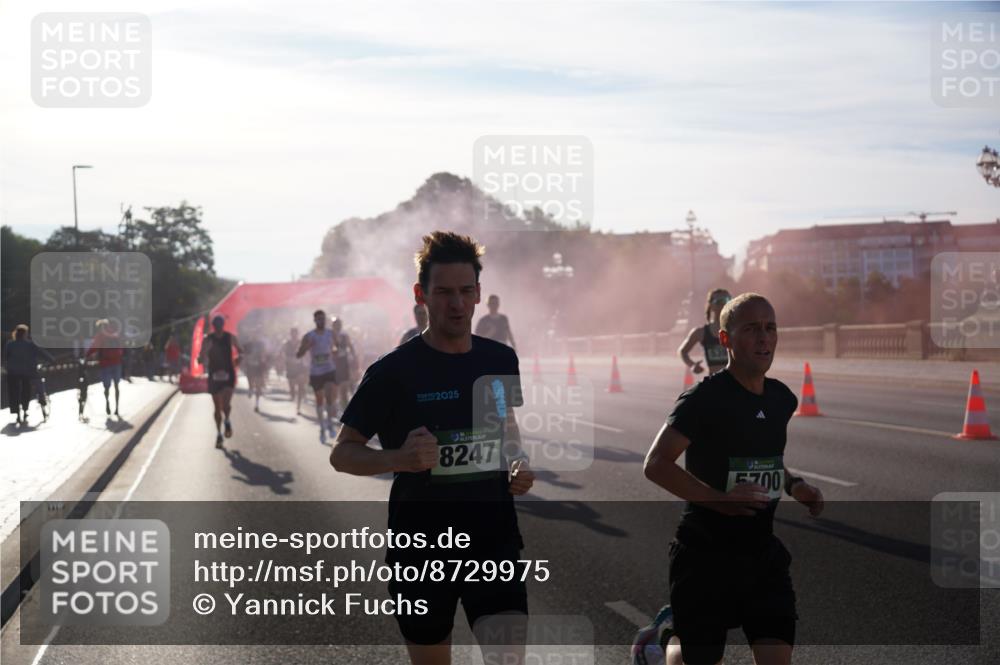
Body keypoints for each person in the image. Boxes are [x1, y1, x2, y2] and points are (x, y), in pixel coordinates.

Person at [332, 231, 535, 665]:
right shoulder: (392, 372)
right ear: (420, 294)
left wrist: (518, 462)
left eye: (465, 291)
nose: (456, 304)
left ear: (478, 293)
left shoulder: (500, 360)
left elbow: (507, 427)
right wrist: (399, 459)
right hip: (421, 551)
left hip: (493, 542)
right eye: (443, 292)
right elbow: (342, 453)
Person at [643, 293, 825, 665]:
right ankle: (661, 642)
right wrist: (720, 501)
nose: (764, 337)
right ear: (725, 339)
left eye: (770, 328)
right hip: (704, 555)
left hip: (762, 556)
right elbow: (656, 464)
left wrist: (795, 485)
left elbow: (767, 459)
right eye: (751, 329)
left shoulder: (781, 399)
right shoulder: (703, 399)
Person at [199, 315, 243, 448]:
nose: (218, 328)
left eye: (220, 326)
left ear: (223, 326)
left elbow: (241, 351)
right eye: (216, 326)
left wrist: (238, 360)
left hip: (228, 373)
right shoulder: (208, 339)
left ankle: (227, 421)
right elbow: (201, 357)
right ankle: (219, 434)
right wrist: (203, 356)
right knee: (217, 407)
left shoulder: (230, 337)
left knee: (226, 405)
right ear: (213, 327)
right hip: (214, 374)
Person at [297, 310, 338, 444]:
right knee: (319, 400)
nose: (321, 321)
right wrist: (306, 346)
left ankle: (330, 423)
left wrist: (335, 350)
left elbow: (337, 347)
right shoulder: (309, 335)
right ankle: (322, 427)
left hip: (329, 369)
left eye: (323, 319)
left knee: (330, 395)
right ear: (315, 320)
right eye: (319, 319)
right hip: (316, 372)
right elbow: (298, 354)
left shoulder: (330, 333)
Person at [3, 325, 53, 427]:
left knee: (14, 392)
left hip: (13, 373)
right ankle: (25, 410)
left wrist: (7, 367)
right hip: (28, 372)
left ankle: (17, 412)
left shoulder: (10, 344)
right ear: (25, 334)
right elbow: (42, 353)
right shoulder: (30, 344)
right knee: (26, 390)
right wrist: (51, 359)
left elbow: (5, 358)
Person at [678, 289, 732, 377]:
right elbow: (682, 352)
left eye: (727, 300)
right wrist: (692, 365)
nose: (724, 304)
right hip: (714, 383)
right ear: (711, 305)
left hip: (736, 383)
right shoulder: (700, 332)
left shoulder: (739, 330)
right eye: (719, 301)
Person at [86, 319, 125, 417]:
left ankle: (107, 402)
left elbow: (93, 348)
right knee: (117, 386)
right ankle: (117, 408)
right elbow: (121, 347)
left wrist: (86, 355)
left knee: (106, 387)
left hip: (105, 364)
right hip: (117, 363)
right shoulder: (115, 334)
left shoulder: (100, 335)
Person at [331, 317, 357, 415]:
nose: (337, 327)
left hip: (343, 364)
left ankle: (345, 412)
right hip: (333, 365)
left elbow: (351, 347)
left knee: (344, 390)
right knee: (334, 389)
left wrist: (354, 358)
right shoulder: (329, 336)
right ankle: (333, 408)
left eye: (339, 325)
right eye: (335, 325)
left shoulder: (345, 336)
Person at [283, 327, 308, 414]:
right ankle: (292, 395)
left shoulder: (301, 343)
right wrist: (289, 360)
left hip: (300, 367)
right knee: (292, 387)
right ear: (291, 334)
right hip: (290, 367)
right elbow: (284, 355)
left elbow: (305, 353)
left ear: (297, 334)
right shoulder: (287, 344)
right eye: (293, 333)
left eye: (296, 333)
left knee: (300, 386)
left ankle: (298, 407)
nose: (294, 335)